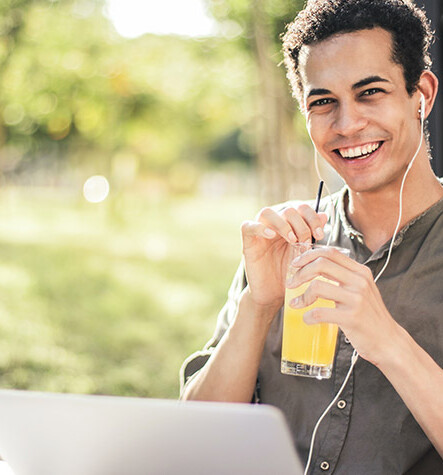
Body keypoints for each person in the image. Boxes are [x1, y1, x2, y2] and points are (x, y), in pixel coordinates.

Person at [180, 0, 443, 473]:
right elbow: (194, 442)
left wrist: (387, 340)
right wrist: (257, 307)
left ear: (420, 93)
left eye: (370, 93)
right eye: (323, 102)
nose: (346, 125)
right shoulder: (286, 243)